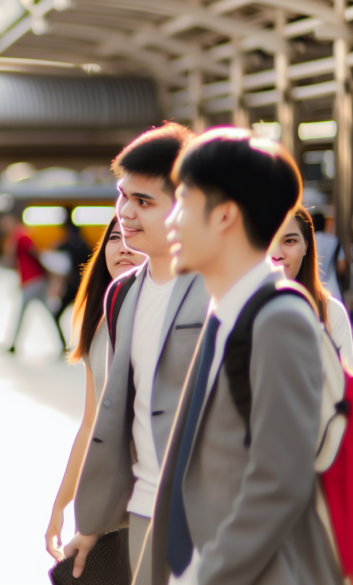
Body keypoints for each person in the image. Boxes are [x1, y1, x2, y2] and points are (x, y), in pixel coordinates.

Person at [139, 128, 342, 585]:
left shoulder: (278, 319)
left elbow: (279, 484)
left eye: (184, 202)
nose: (171, 222)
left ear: (225, 215)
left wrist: (203, 577)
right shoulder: (225, 312)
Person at [64, 122, 208, 585]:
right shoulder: (121, 294)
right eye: (122, 195)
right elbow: (113, 416)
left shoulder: (227, 289)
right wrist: (94, 522)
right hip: (140, 516)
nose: (124, 212)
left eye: (143, 202)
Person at [45, 217, 142, 560]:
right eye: (115, 237)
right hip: (107, 495)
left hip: (153, 496)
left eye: (135, 237)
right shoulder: (98, 323)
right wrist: (62, 502)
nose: (124, 247)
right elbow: (90, 425)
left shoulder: (164, 319)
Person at [270, 205, 353, 363]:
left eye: (289, 241)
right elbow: (342, 266)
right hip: (332, 285)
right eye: (268, 241)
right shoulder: (233, 312)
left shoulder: (333, 314)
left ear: (306, 246)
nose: (277, 254)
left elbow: (346, 383)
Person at [6, 213, 62, 352]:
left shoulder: (21, 237)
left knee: (21, 312)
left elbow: (32, 253)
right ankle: (62, 342)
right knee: (48, 312)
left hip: (33, 281)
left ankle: (13, 343)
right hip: (35, 280)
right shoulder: (20, 237)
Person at [310, 210, 346, 301]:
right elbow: (341, 266)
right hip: (333, 290)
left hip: (312, 289)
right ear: (324, 225)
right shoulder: (334, 241)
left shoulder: (307, 241)